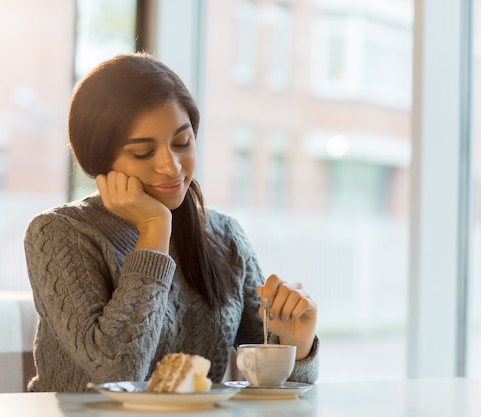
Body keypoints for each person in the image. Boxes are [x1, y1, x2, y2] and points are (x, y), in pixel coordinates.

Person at [23, 52, 319, 392]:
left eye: (182, 142)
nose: (172, 167)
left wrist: (298, 345)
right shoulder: (60, 233)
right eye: (143, 152)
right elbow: (116, 372)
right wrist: (154, 230)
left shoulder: (225, 236)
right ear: (98, 157)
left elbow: (275, 389)